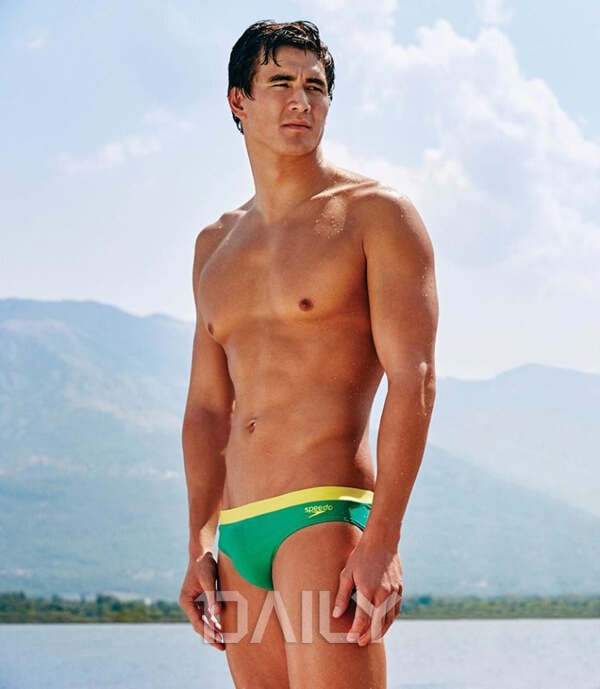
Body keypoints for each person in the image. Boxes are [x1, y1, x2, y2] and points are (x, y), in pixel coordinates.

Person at [179, 19, 438, 689]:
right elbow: (206, 408)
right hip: (238, 532)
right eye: (281, 83)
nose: (302, 101)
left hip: (324, 513)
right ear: (238, 100)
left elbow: (414, 380)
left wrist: (383, 538)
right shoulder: (215, 245)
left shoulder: (375, 214)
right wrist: (199, 539)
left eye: (315, 86)